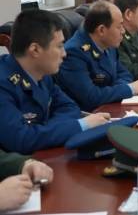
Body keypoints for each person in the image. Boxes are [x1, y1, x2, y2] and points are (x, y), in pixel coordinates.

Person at [0, 10, 110, 153]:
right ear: (35, 50)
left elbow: (70, 107)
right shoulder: (3, 83)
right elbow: (21, 140)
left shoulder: (42, 73)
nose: (64, 53)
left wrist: (45, 130)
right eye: (59, 46)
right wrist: (81, 125)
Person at [57, 2, 138, 112]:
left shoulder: (108, 43)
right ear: (102, 30)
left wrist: (118, 89)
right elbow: (91, 97)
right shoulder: (74, 53)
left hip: (110, 106)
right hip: (90, 114)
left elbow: (124, 73)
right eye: (119, 26)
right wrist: (129, 89)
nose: (123, 31)